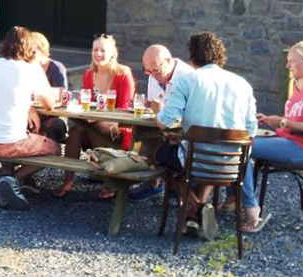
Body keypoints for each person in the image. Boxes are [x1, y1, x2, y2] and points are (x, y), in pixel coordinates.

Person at [154, 31, 257, 241]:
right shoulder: (243, 84)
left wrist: (158, 110)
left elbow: (165, 121)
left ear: (192, 57)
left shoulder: (188, 80)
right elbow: (251, 130)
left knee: (158, 155)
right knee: (207, 157)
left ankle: (196, 208)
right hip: (231, 163)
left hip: (195, 160)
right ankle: (199, 211)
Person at [237, 41, 303, 233]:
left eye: (292, 61)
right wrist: (271, 121)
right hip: (286, 140)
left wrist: (284, 122)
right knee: (239, 142)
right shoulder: (299, 87)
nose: (287, 66)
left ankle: (251, 208)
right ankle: (234, 200)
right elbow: (292, 122)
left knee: (241, 146)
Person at [0, 26, 59, 211]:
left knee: (3, 135)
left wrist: (28, 106)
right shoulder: (30, 69)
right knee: (55, 148)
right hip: (10, 144)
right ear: (29, 47)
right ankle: (10, 180)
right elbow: (50, 105)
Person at [52, 33, 135, 200]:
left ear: (113, 53)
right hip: (93, 125)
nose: (98, 54)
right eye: (95, 50)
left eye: (103, 50)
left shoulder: (123, 74)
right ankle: (68, 181)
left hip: (117, 128)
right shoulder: (89, 74)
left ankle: (109, 181)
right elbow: (87, 104)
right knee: (76, 131)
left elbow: (125, 110)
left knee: (92, 126)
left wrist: (98, 118)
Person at [129, 44, 197, 202]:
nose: (152, 75)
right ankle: (154, 184)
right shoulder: (154, 75)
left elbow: (184, 114)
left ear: (168, 61)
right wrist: (150, 105)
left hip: (185, 133)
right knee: (142, 138)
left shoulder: (187, 77)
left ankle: (174, 187)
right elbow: (155, 103)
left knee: (155, 148)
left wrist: (160, 109)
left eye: (155, 70)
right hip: (163, 126)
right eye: (147, 71)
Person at [31, 31, 68, 143]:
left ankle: (52, 154)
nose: (30, 55)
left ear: (43, 51)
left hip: (54, 115)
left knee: (53, 127)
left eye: (33, 51)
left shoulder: (56, 68)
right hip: (33, 112)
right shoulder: (27, 67)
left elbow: (61, 96)